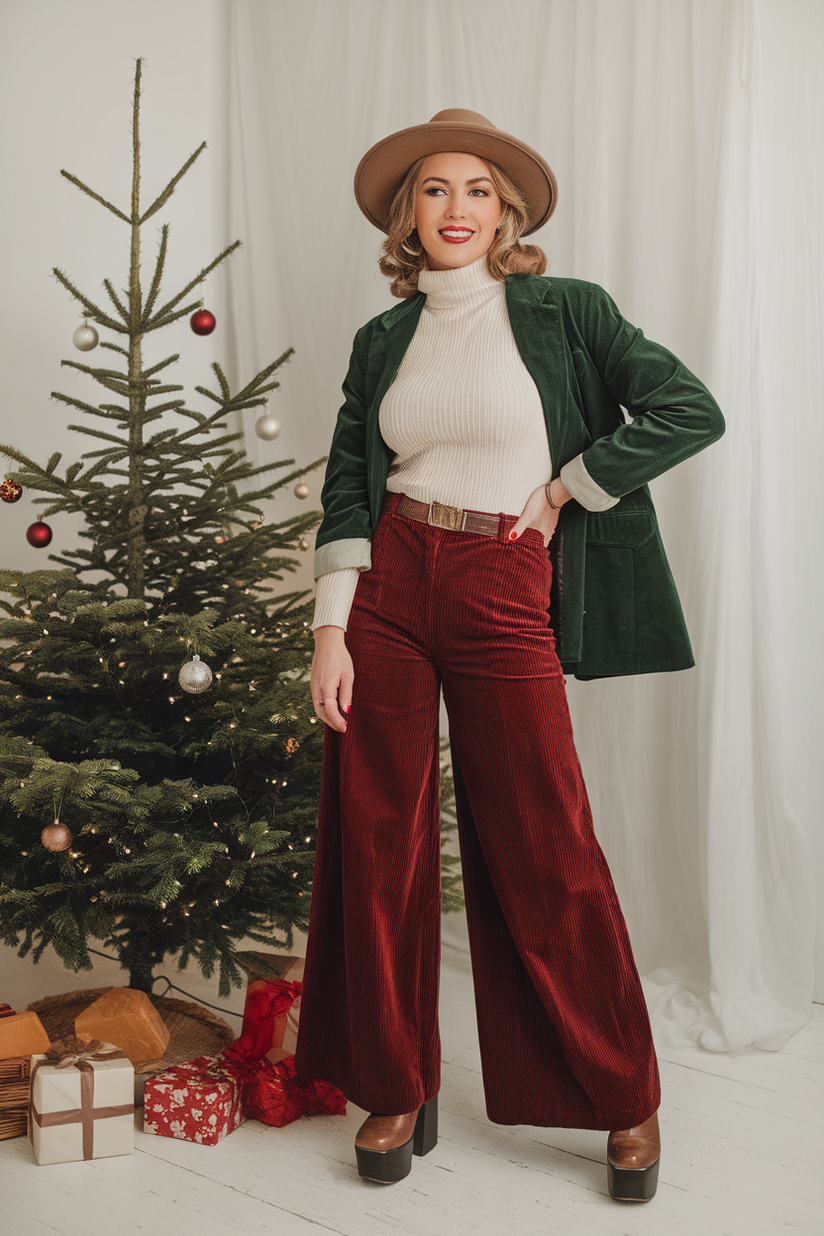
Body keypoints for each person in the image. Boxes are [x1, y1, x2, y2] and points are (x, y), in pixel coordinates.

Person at [294, 109, 724, 1203]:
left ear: (507, 213)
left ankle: (622, 1095)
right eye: (433, 191)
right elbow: (351, 475)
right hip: (389, 578)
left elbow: (686, 407)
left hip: (500, 578)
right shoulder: (380, 339)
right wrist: (331, 626)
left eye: (475, 190)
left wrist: (567, 488)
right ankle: (397, 1082)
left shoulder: (565, 313)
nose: (454, 209)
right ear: (407, 215)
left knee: (541, 837)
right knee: (375, 833)